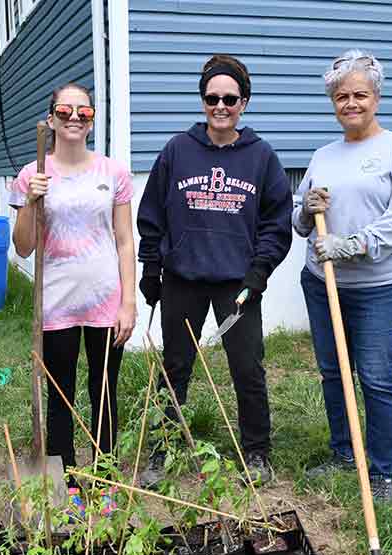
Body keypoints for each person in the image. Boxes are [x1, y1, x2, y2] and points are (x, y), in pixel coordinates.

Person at [136, 54, 292, 488]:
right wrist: (152, 267)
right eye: (211, 98)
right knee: (175, 367)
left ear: (244, 101)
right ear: (202, 100)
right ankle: (163, 450)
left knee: (247, 367)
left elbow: (277, 223)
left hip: (236, 286)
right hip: (183, 279)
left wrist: (258, 273)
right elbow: (151, 214)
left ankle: (257, 454)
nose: (220, 106)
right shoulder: (177, 151)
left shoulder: (261, 157)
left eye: (230, 98)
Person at [294, 49, 392, 504]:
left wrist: (350, 244)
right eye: (342, 96)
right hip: (322, 281)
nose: (350, 103)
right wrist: (307, 213)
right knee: (334, 372)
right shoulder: (323, 154)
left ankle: (383, 471)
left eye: (360, 95)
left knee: (375, 376)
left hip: (379, 287)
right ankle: (344, 453)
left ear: (377, 98)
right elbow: (299, 216)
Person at [10, 82, 135, 478]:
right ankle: (65, 477)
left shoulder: (113, 171)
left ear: (92, 120)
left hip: (105, 301)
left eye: (84, 112)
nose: (75, 118)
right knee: (59, 394)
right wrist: (31, 201)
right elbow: (24, 246)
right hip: (56, 304)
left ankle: (106, 476)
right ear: (51, 119)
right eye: (65, 111)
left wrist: (128, 302)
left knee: (104, 392)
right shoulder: (32, 174)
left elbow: (124, 241)